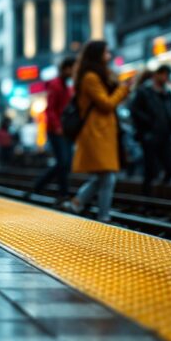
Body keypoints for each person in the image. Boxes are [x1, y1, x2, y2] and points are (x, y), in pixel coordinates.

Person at [65, 41, 131, 222]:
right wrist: (123, 89)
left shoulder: (98, 76)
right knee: (107, 175)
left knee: (103, 176)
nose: (109, 56)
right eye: (106, 52)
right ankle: (103, 216)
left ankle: (79, 202)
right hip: (95, 132)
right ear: (97, 55)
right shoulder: (90, 78)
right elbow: (106, 104)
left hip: (103, 132)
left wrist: (120, 86)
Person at [129, 64, 171, 195]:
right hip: (149, 135)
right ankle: (147, 198)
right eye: (164, 74)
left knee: (169, 167)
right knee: (150, 169)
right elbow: (135, 111)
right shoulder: (144, 91)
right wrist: (148, 124)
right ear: (157, 74)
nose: (166, 78)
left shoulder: (167, 93)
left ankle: (161, 193)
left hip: (165, 135)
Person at [32, 57, 76, 200]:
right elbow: (50, 109)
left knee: (66, 163)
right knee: (63, 162)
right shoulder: (55, 85)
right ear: (66, 68)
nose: (75, 71)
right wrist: (57, 127)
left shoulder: (67, 85)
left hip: (66, 130)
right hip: (55, 130)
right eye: (73, 68)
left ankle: (40, 186)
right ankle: (62, 193)